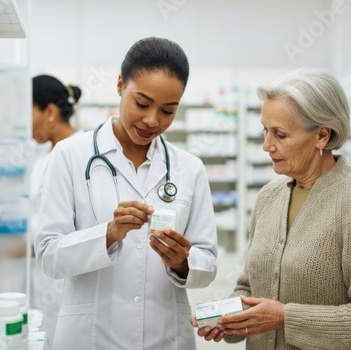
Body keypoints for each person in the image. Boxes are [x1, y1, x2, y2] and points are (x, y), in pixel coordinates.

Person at [192, 68, 351, 350]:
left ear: (322, 136)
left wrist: (283, 318)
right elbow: (249, 286)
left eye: (280, 135)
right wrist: (228, 316)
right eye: (265, 131)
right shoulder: (269, 197)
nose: (267, 145)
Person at [34, 37, 218, 350]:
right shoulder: (70, 155)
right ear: (120, 85)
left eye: (167, 111)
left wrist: (183, 262)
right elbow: (49, 256)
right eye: (142, 104)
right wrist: (108, 234)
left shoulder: (190, 168)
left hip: (166, 336)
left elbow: (209, 264)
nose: (152, 121)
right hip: (91, 337)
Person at [30, 75, 83, 341]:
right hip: (42, 276)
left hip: (67, 278)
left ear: (49, 111)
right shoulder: (43, 156)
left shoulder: (80, 153)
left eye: (28, 110)